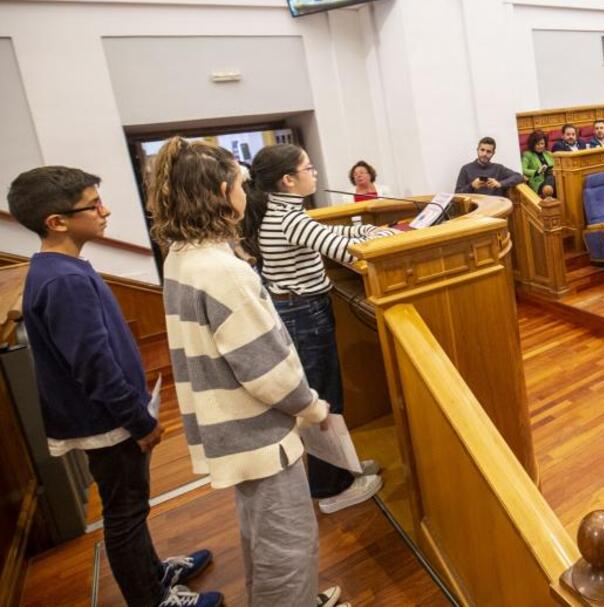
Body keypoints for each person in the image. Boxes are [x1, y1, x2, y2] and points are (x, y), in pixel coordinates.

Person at [144, 141, 348, 607]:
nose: (246, 191)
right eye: (240, 183)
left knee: (263, 537)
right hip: (257, 432)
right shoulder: (223, 271)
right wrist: (312, 407)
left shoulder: (181, 255)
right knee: (290, 546)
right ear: (222, 190)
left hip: (228, 427)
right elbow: (267, 371)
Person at [7, 167, 221, 607]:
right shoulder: (63, 279)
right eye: (93, 204)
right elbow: (94, 364)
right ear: (57, 221)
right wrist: (138, 419)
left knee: (132, 507)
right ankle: (151, 598)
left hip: (107, 414)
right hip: (106, 420)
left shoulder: (58, 268)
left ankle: (154, 572)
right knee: (125, 513)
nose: (105, 211)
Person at [242, 144, 387, 516]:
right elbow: (344, 250)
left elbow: (323, 234)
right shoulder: (290, 218)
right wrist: (387, 237)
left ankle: (340, 469)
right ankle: (330, 486)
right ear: (288, 179)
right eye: (308, 167)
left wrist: (370, 227)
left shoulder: (283, 211)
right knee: (323, 400)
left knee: (324, 395)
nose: (316, 172)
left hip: (299, 310)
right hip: (305, 314)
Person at [456, 137, 525, 195]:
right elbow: (457, 194)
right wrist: (472, 186)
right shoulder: (466, 169)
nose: (484, 154)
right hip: (476, 208)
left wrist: (500, 184)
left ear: (493, 153)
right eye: (482, 150)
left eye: (488, 151)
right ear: (477, 150)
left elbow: (519, 176)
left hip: (497, 207)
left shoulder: (498, 168)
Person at [521, 130, 556, 198]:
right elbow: (523, 169)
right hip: (539, 183)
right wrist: (537, 171)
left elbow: (556, 165)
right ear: (533, 144)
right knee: (552, 178)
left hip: (553, 178)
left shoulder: (548, 153)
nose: (540, 146)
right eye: (537, 144)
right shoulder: (528, 155)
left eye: (542, 144)